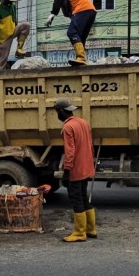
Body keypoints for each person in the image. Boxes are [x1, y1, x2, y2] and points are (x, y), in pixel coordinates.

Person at [54, 98, 97, 242]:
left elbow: (70, 151)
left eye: (57, 112)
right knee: (83, 197)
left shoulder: (68, 127)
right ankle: (91, 229)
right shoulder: (83, 122)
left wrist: (67, 171)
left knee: (76, 199)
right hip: (86, 167)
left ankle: (79, 233)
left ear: (61, 111)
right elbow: (90, 145)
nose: (57, 115)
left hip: (76, 169)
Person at [45, 0, 96, 66]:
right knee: (80, 38)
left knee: (72, 32)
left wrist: (53, 13)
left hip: (82, 10)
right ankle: (81, 60)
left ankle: (81, 57)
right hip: (91, 11)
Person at [0, 0, 30, 70]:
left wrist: (19, 32)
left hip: (13, 31)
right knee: (2, 64)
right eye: (9, 0)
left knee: (26, 25)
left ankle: (19, 50)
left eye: (12, 0)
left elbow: (14, 20)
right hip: (3, 39)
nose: (11, 2)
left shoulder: (13, 6)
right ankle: (0, 76)